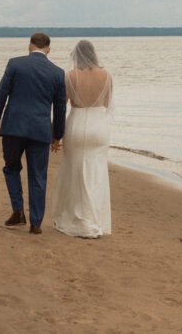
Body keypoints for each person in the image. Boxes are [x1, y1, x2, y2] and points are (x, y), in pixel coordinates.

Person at [0, 33, 67, 235]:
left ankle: (18, 211)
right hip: (40, 131)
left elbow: (0, 94)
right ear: (49, 50)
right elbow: (60, 109)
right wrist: (57, 135)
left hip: (13, 126)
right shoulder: (57, 73)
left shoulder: (15, 64)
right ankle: (36, 223)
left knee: (12, 168)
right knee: (38, 176)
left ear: (29, 46)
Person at [47, 39, 114, 238]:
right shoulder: (107, 76)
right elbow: (108, 104)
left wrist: (55, 136)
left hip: (77, 125)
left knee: (75, 171)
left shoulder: (71, 76)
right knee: (96, 172)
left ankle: (78, 219)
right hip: (99, 127)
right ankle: (93, 220)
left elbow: (61, 107)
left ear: (76, 55)